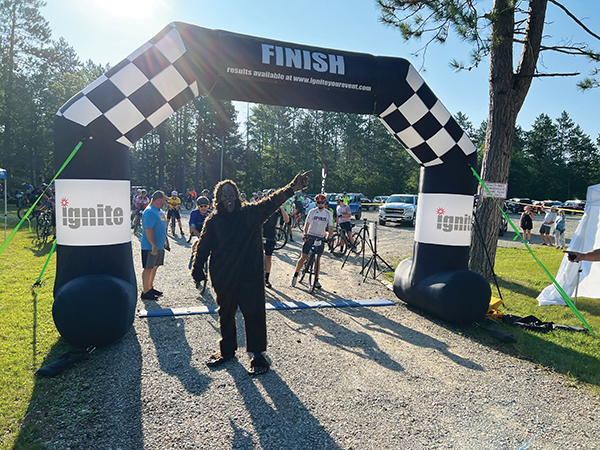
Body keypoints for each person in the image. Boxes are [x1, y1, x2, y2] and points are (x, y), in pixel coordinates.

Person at [191, 171, 310, 375]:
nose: (228, 199)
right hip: (223, 275)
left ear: (237, 196)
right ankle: (227, 351)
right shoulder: (213, 220)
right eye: (224, 196)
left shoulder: (250, 213)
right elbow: (203, 246)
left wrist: (292, 187)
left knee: (254, 313)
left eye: (231, 195)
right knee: (225, 313)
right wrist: (197, 269)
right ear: (218, 199)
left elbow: (272, 201)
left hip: (250, 275)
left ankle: (257, 355)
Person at [291, 193, 333, 289]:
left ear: (325, 203)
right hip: (310, 235)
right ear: (316, 203)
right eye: (318, 202)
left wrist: (330, 237)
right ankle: (295, 275)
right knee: (303, 257)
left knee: (317, 259)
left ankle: (316, 280)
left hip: (320, 237)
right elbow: (306, 225)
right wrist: (305, 234)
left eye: (322, 202)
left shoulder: (328, 214)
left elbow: (330, 227)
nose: (320, 204)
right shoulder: (312, 212)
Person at [140, 191, 169, 300]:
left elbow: (162, 226)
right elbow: (148, 229)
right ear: (158, 200)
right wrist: (153, 245)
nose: (165, 202)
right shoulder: (149, 212)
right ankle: (145, 291)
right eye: (164, 200)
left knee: (155, 266)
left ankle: (150, 287)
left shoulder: (159, 211)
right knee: (148, 267)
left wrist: (165, 240)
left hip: (160, 245)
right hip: (150, 247)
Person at [263, 196, 289, 288]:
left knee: (268, 258)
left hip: (270, 235)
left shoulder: (276, 210)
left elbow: (286, 220)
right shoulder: (263, 207)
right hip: (260, 235)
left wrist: (281, 207)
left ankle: (266, 278)